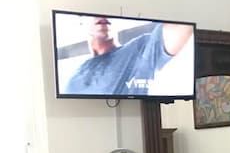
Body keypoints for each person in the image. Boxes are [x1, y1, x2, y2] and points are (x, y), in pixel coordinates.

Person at [64, 16, 193, 96]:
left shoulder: (139, 49)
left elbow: (180, 28)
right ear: (81, 23)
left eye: (109, 13)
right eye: (92, 14)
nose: (102, 16)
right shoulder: (72, 81)